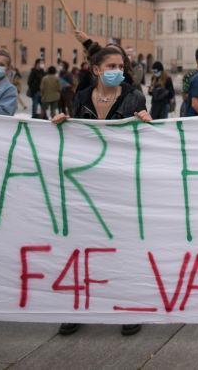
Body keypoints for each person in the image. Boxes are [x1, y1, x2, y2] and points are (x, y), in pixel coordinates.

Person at [52, 45, 150, 338]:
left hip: (121, 182)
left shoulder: (134, 96)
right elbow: (76, 132)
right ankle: (79, 308)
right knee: (83, 245)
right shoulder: (81, 97)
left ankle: (130, 306)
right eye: (110, 66)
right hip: (87, 181)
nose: (117, 71)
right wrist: (61, 124)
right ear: (96, 70)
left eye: (120, 66)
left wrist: (148, 124)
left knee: (124, 246)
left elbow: (146, 137)